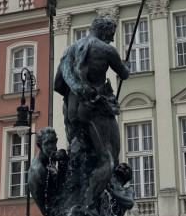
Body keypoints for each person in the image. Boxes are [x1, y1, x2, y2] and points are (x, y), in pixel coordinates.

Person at [53, 16, 130, 204]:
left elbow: (58, 83)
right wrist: (126, 65)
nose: (111, 39)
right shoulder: (106, 49)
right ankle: (89, 205)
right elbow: (124, 73)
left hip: (72, 112)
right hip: (94, 109)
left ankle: (75, 202)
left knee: (81, 156)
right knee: (109, 160)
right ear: (103, 30)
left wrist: (76, 94)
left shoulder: (71, 50)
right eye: (111, 34)